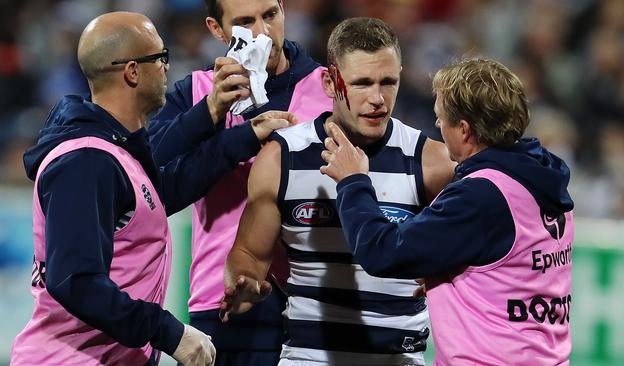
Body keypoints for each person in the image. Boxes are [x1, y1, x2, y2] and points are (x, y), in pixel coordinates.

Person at [11, 11, 296, 366]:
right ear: (132, 71)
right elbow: (75, 281)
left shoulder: (114, 152)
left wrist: (246, 135)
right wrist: (168, 330)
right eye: (161, 58)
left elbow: (166, 192)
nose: (166, 67)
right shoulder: (85, 160)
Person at [221, 17, 455, 365]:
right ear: (330, 83)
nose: (378, 98)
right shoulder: (281, 157)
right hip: (308, 357)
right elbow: (250, 255)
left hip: (400, 358)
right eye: (362, 83)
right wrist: (245, 283)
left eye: (388, 82)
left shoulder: (432, 162)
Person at [320, 57, 574, 365]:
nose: (438, 126)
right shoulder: (544, 181)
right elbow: (503, 267)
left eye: (441, 119)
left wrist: (353, 181)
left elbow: (381, 251)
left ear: (464, 130)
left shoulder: (481, 194)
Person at [147, 1, 331, 364]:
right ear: (217, 29)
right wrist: (222, 122)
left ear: (283, 9)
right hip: (225, 305)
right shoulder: (198, 93)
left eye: (270, 15)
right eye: (246, 22)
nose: (263, 32)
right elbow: (152, 185)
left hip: (319, 305)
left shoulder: (329, 88)